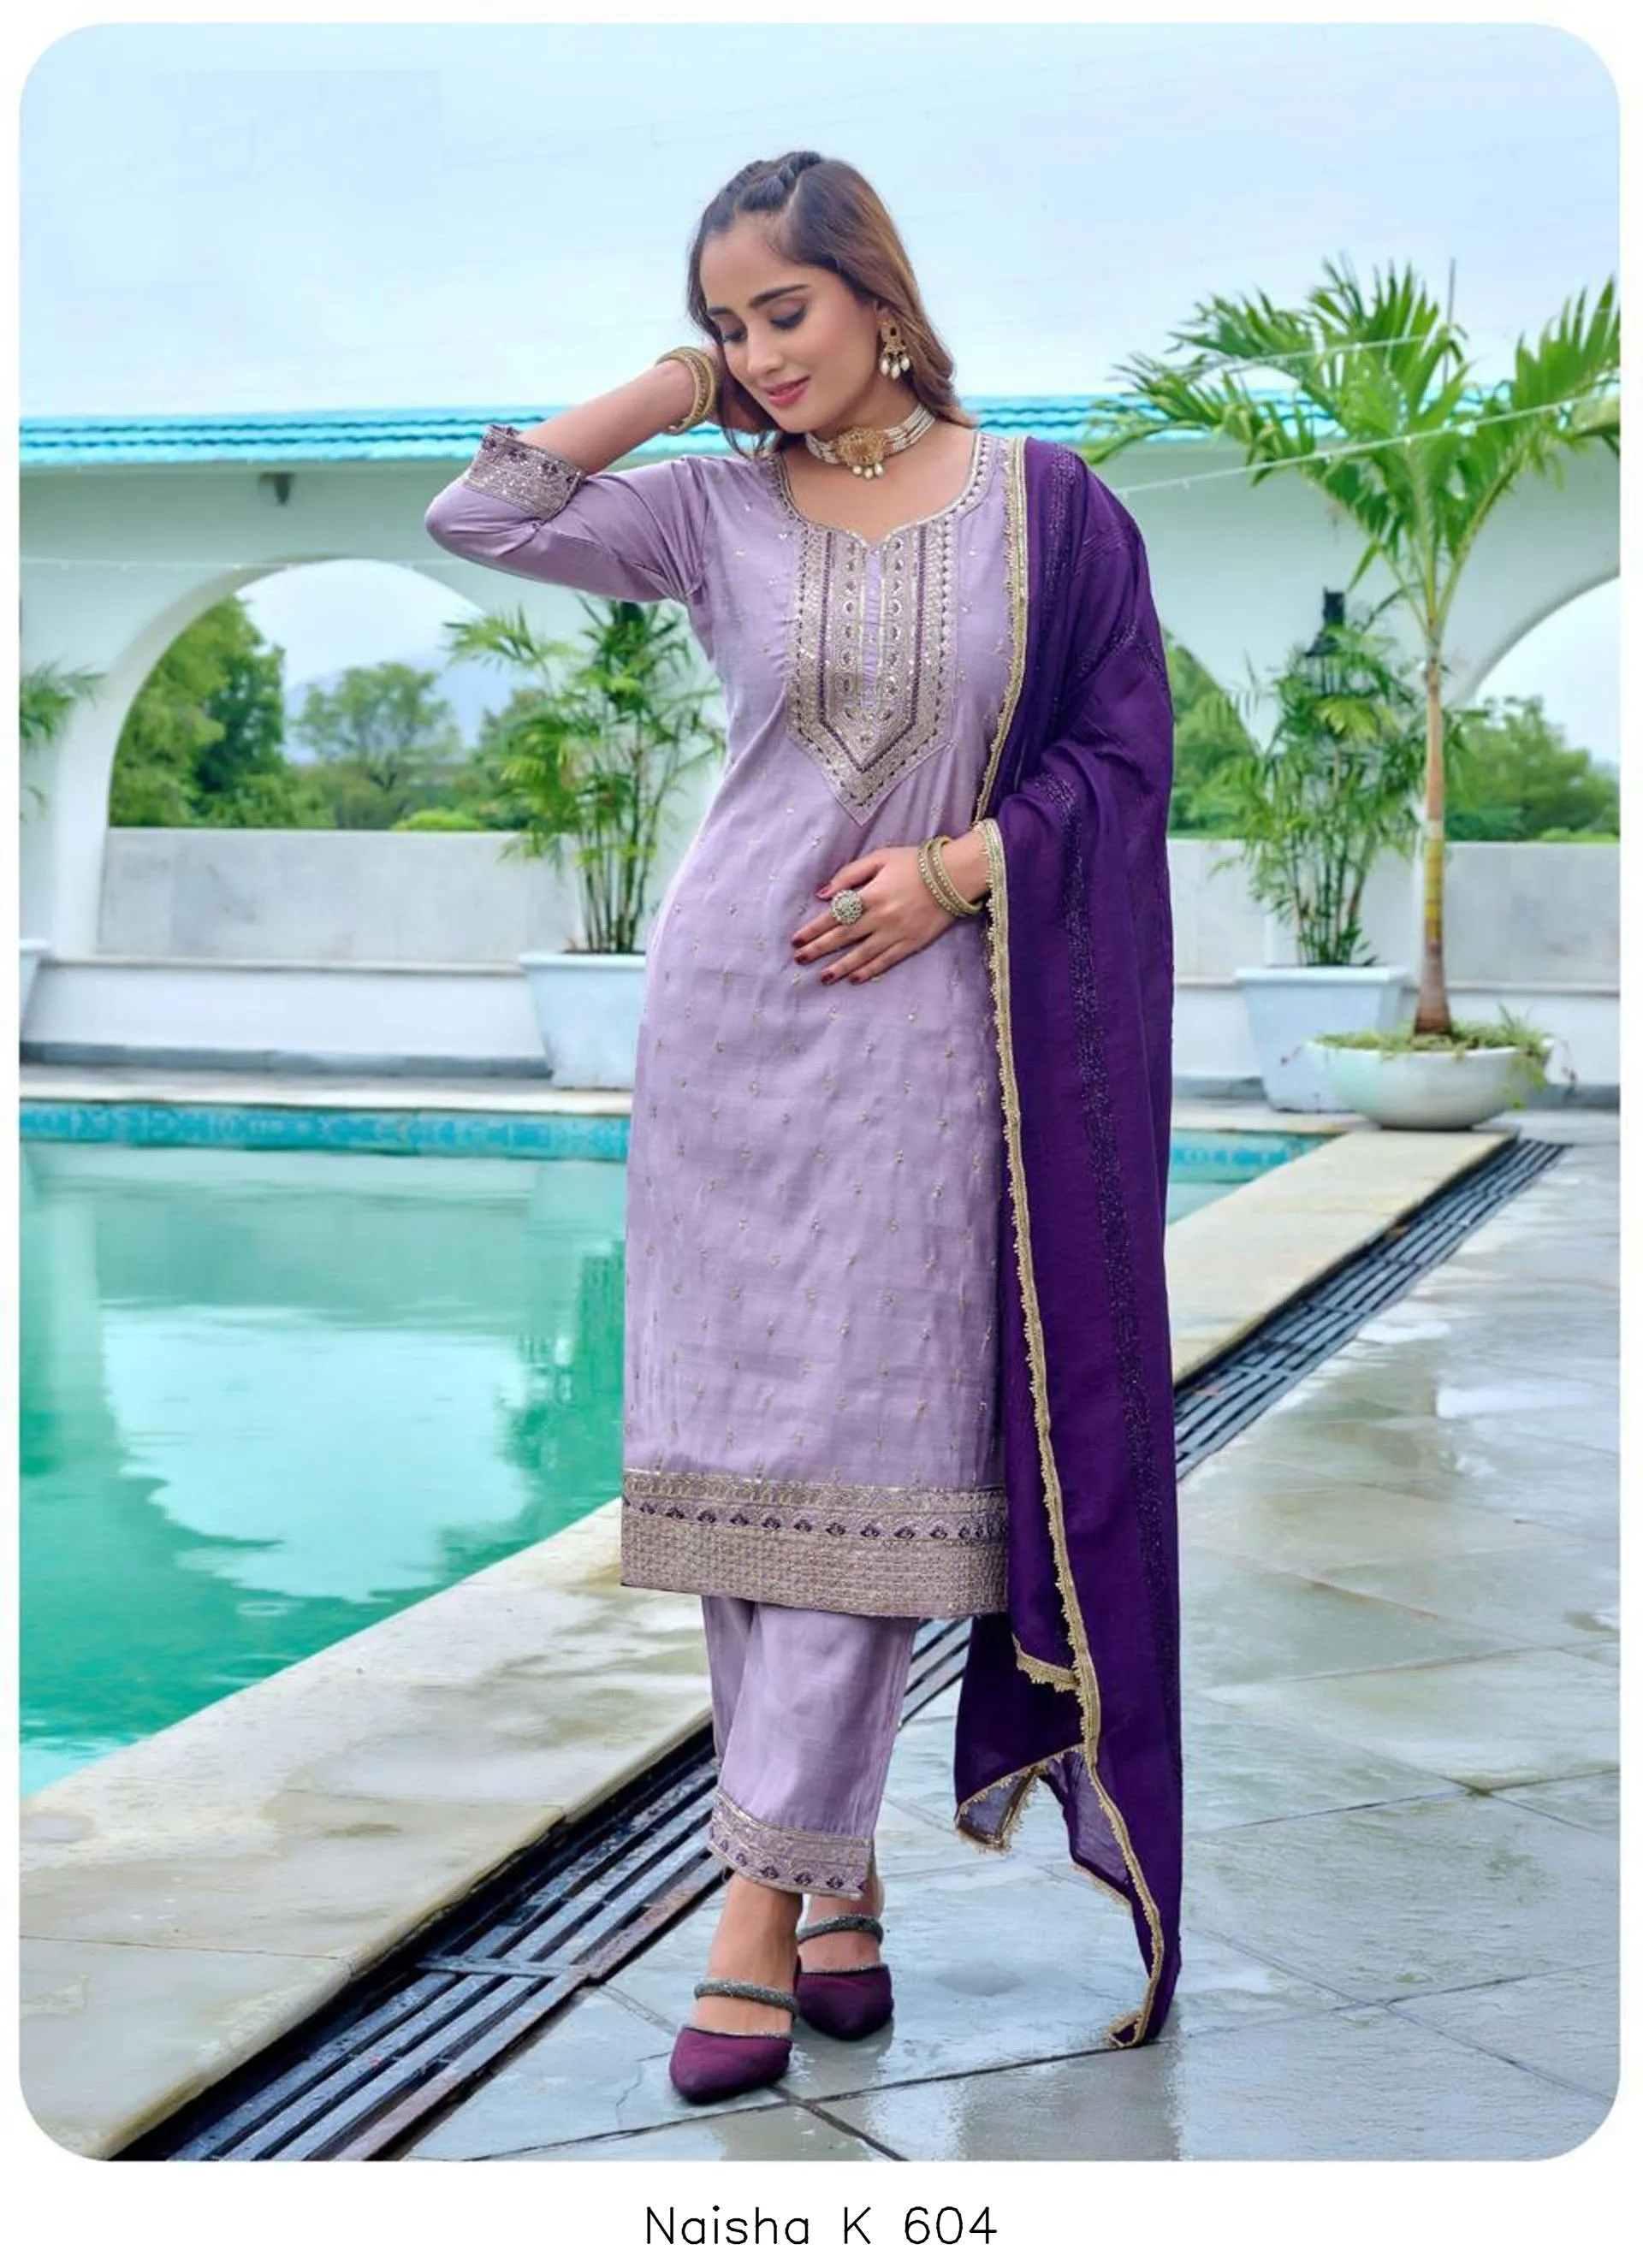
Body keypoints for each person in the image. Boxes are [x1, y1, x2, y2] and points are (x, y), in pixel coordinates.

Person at [424, 150, 1182, 2106]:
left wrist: (955, 867)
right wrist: (672, 392)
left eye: (787, 310)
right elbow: (481, 512)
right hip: (731, 1029)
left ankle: (751, 1906)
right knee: (757, 1482)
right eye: (729, 323)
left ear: (881, 298)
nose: (762, 352)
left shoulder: (1049, 510)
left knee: (865, 1472)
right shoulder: (710, 510)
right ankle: (835, 1898)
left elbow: (1126, 755)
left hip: (934, 1033)